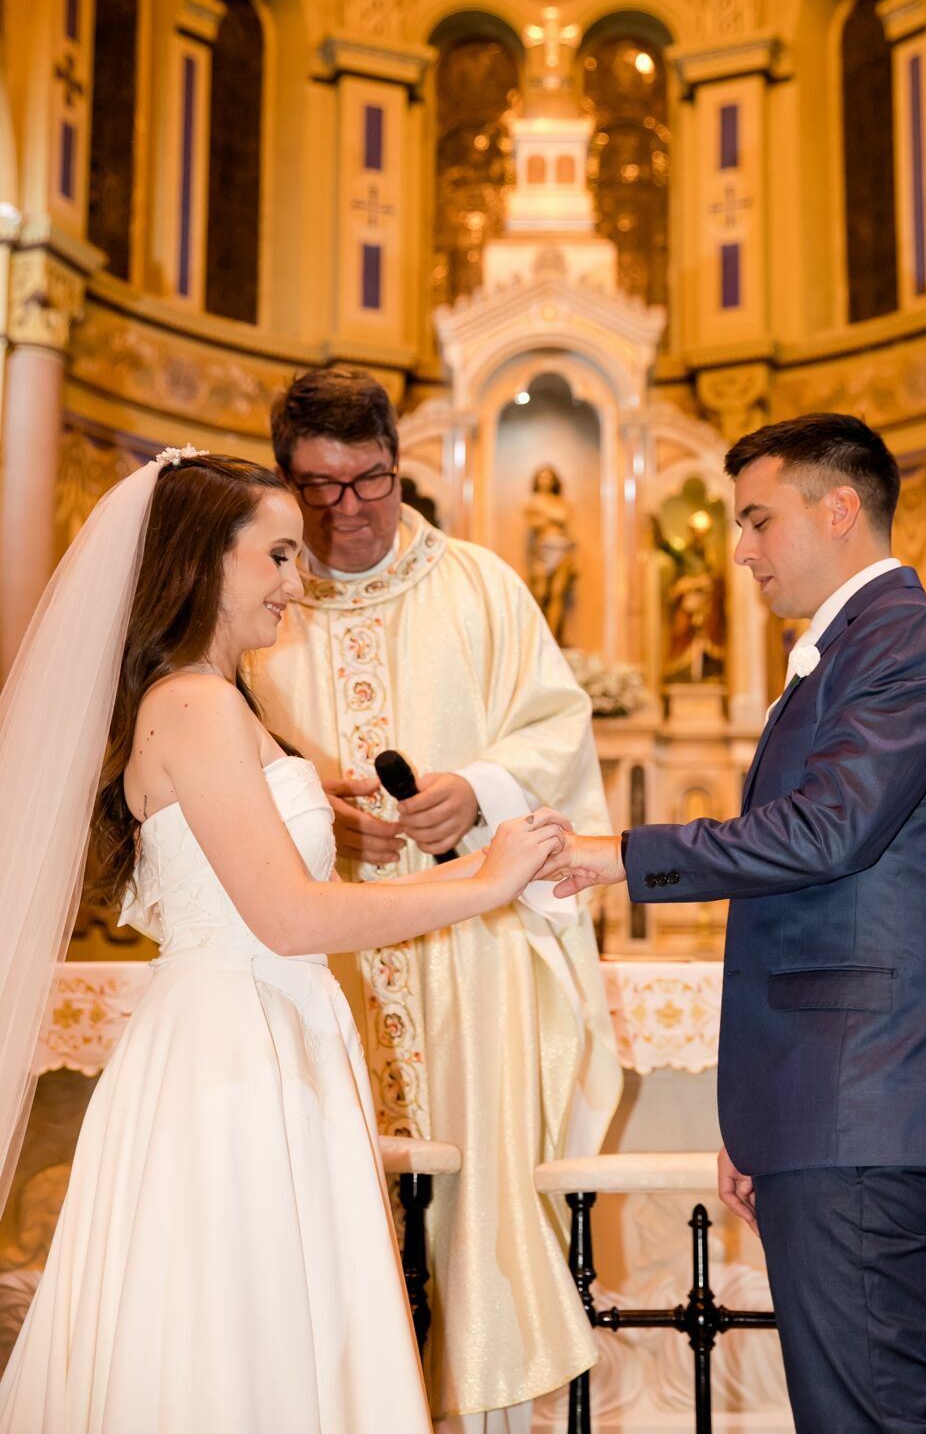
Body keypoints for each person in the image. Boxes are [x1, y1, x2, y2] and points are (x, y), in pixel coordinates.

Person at [0, 449, 566, 1433]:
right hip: (236, 1053)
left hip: (259, 1034)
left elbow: (227, 858)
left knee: (264, 1333)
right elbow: (289, 916)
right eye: (275, 556)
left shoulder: (220, 703)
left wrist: (326, 812)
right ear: (202, 562)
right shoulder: (196, 703)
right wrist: (483, 879)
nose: (297, 583)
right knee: (242, 1335)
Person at [539, 413, 926, 1434]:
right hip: (826, 1107)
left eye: (756, 519)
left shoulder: (907, 638)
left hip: (866, 1100)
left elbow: (827, 830)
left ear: (838, 508)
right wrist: (760, 1121)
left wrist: (617, 855)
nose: (737, 548)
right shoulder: (849, 647)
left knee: (875, 1417)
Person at [249, 368, 622, 1433]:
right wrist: (315, 818)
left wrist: (479, 788)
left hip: (471, 950)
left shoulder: (481, 585)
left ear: (398, 464)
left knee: (471, 1210)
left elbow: (558, 734)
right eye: (315, 488)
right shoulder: (261, 596)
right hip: (312, 953)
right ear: (286, 479)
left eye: (366, 479)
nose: (344, 509)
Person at [524, 464, 577, 644]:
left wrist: (546, 513)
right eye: (542, 476)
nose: (545, 480)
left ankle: (553, 637)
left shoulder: (560, 502)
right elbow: (534, 522)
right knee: (540, 593)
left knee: (557, 593)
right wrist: (552, 515)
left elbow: (565, 516)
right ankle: (539, 636)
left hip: (562, 548)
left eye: (548, 477)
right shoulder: (533, 502)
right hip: (543, 549)